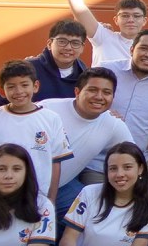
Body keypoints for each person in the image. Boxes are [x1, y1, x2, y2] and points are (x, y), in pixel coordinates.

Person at [40, 67, 133, 218]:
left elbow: (133, 157)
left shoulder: (113, 124)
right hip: (26, 187)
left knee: (93, 215)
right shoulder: (48, 109)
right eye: (92, 90)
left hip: (63, 187)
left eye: (107, 93)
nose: (99, 97)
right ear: (77, 92)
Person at [0, 60, 71, 204]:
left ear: (36, 86)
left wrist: (50, 199)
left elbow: (55, 162)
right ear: (2, 91)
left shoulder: (51, 119)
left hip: (33, 199)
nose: (19, 91)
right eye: (11, 86)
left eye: (24, 85)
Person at [0, 20, 88, 106]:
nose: (68, 48)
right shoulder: (29, 68)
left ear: (82, 48)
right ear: (49, 44)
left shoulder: (85, 75)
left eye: (75, 43)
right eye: (62, 41)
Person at [104, 30, 148, 154]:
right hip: (98, 160)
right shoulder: (107, 70)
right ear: (132, 50)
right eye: (144, 48)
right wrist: (101, 113)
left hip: (141, 159)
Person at [65, 0, 148, 66]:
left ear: (144, 21)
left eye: (136, 16)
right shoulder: (104, 37)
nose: (131, 20)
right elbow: (78, 7)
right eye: (125, 15)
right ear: (116, 20)